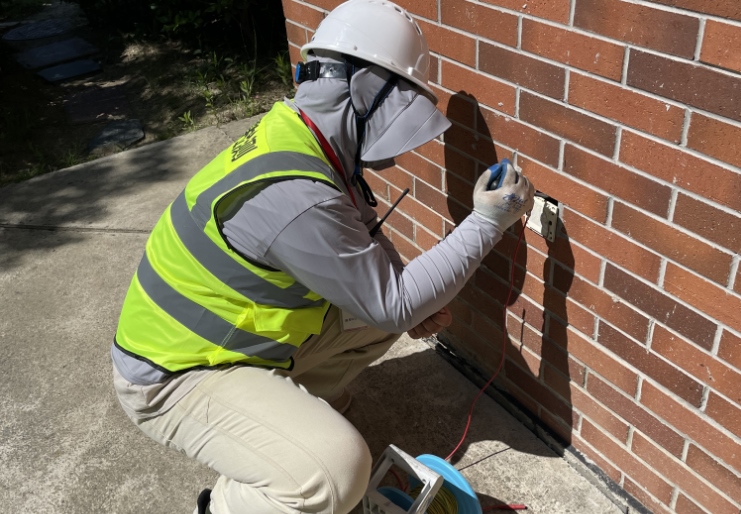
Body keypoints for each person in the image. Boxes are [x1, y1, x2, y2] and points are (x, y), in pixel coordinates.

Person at [110, 0, 535, 513]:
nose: (400, 150)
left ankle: (300, 415)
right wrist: (489, 220)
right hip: (171, 375)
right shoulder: (296, 192)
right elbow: (393, 302)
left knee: (377, 318)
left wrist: (408, 306)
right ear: (359, 90)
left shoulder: (303, 138)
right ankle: (226, 504)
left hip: (225, 346)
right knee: (338, 472)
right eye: (399, 109)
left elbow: (373, 272)